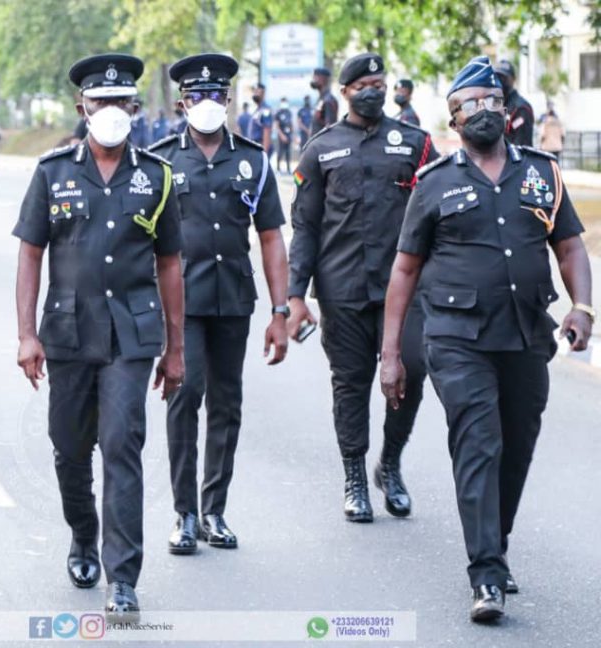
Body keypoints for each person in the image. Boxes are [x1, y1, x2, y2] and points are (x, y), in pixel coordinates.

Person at [381, 55, 594, 623]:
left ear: (508, 111)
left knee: (517, 445)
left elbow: (570, 246)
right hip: (456, 338)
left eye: (491, 102)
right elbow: (404, 271)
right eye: (470, 106)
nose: (483, 112)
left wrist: (583, 307)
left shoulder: (541, 174)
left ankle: (492, 546)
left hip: (526, 335)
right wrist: (390, 356)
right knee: (480, 442)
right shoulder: (434, 184)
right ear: (453, 119)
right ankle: (486, 576)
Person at [13, 53, 185, 620]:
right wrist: (26, 335)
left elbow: (169, 265)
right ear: (81, 107)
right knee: (69, 448)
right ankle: (83, 535)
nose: (110, 111)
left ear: (134, 108)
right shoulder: (52, 171)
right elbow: (31, 255)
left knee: (121, 445)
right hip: (65, 332)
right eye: (99, 102)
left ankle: (123, 576)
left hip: (131, 338)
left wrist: (175, 349)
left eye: (120, 102)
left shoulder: (156, 176)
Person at [286, 53, 439, 523]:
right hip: (343, 289)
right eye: (364, 84)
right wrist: (295, 296)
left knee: (410, 371)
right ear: (346, 92)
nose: (373, 90)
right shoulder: (321, 148)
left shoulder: (416, 143)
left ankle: (389, 464)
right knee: (350, 386)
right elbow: (305, 226)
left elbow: (440, 215)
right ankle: (355, 475)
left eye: (380, 82)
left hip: (404, 291)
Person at [150, 53, 288, 556]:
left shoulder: (253, 159)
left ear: (227, 100)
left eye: (214, 95)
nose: (205, 104)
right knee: (184, 399)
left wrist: (280, 310)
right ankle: (183, 514)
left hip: (233, 299)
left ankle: (214, 511)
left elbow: (270, 237)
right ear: (182, 102)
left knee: (226, 403)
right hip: (179, 304)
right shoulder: (161, 159)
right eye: (195, 96)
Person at [494, 60, 534, 147]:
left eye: (503, 77)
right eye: (497, 77)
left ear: (513, 79)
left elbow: (521, 145)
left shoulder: (521, 108)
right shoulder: (497, 104)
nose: (499, 81)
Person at [309, 67, 338, 134]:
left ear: (323, 79)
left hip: (322, 143)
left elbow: (330, 128)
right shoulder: (321, 99)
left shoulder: (329, 100)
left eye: (315, 77)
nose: (313, 80)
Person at [248, 83, 272, 149]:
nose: (254, 94)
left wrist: (264, 153)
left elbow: (267, 132)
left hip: (260, 146)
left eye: (257, 91)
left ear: (263, 93)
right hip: (254, 146)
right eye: (254, 91)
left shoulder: (265, 110)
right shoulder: (257, 110)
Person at [273, 97, 293, 172]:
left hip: (288, 135)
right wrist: (282, 135)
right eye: (283, 102)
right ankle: (278, 168)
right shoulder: (278, 113)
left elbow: (291, 124)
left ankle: (288, 168)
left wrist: (292, 134)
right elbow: (276, 126)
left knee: (288, 152)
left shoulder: (289, 112)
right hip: (281, 135)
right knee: (280, 152)